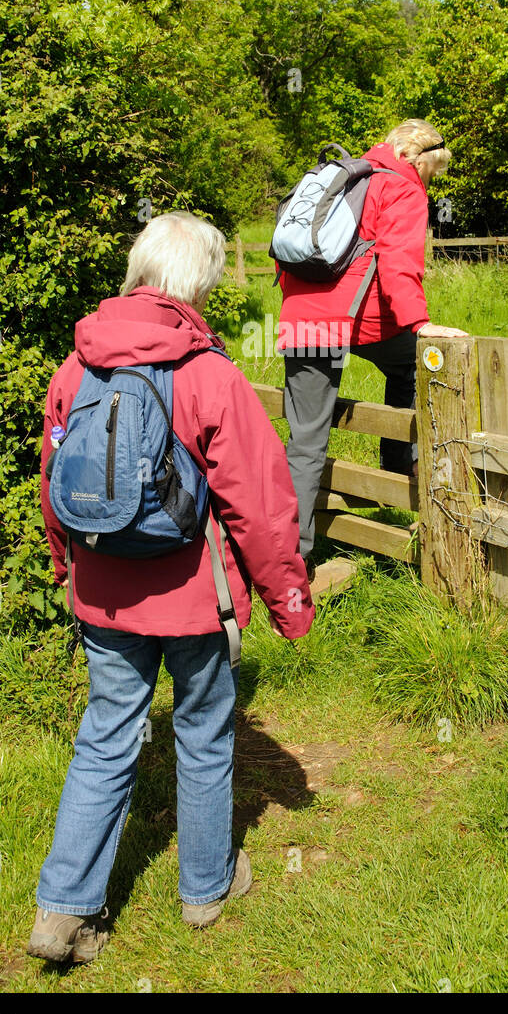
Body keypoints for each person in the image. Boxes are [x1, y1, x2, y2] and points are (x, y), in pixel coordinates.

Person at [27, 211, 314, 964]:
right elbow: (261, 503)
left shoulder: (74, 367)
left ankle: (62, 913)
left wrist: (65, 567)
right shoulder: (210, 374)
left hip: (103, 597)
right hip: (196, 600)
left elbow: (52, 482)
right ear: (199, 284)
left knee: (105, 738)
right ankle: (204, 889)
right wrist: (288, 600)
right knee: (204, 734)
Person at [278, 119, 468, 569]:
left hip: (302, 319)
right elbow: (398, 263)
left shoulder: (350, 173)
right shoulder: (402, 187)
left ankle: (287, 564)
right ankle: (399, 464)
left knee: (305, 443)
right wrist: (420, 325)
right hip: (357, 319)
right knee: (413, 365)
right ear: (420, 160)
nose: (430, 181)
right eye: (433, 172)